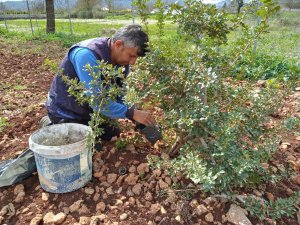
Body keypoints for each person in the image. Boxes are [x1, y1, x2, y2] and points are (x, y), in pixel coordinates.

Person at [45, 24, 156, 141]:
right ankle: (52, 123)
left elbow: (120, 94)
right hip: (65, 111)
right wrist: (131, 113)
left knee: (112, 135)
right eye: (131, 56)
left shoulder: (122, 62)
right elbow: (98, 102)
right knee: (88, 148)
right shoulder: (86, 55)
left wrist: (135, 114)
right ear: (118, 44)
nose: (133, 62)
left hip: (89, 112)